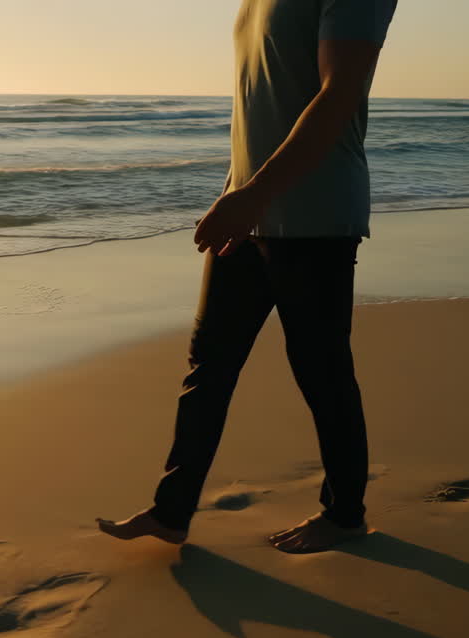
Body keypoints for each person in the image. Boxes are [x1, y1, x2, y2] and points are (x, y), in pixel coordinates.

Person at [97, 0, 398, 553]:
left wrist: (252, 194)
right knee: (208, 365)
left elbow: (337, 97)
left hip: (316, 217)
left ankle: (345, 515)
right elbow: (265, 105)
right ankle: (171, 512)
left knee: (321, 371)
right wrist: (237, 189)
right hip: (249, 208)